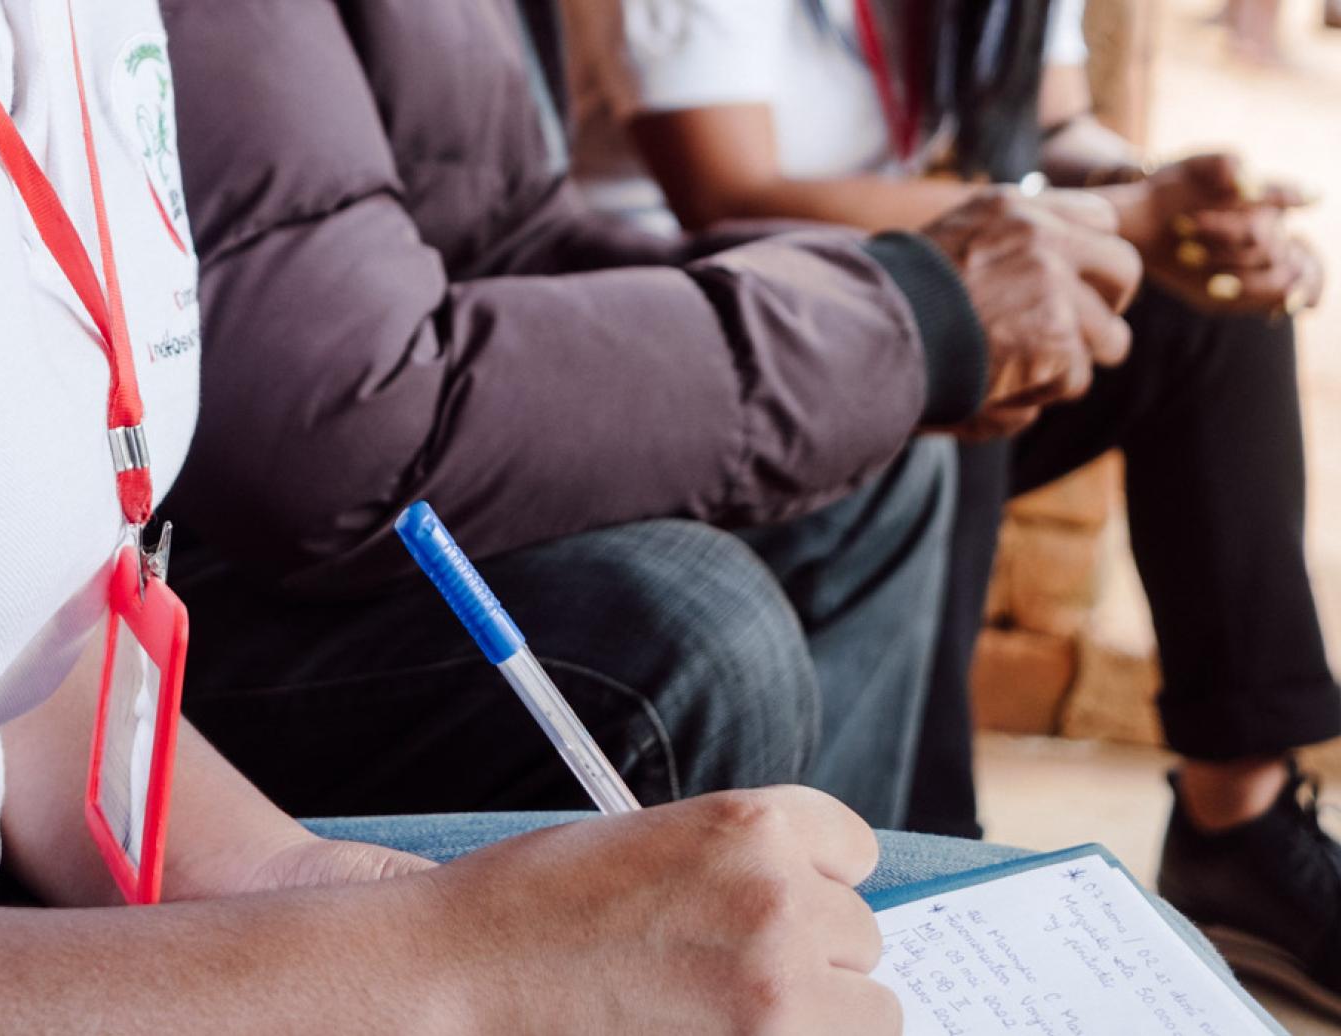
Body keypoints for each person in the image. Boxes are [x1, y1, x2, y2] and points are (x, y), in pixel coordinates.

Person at [0, 2, 1154, 1032]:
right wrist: (426, 967)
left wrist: (290, 875)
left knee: (965, 928)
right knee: (684, 631)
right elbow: (345, 402)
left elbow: (25, 596)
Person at [153, 0, 1140, 842]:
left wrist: (873, 326)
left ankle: (863, 936)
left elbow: (512, 235)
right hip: (139, 589)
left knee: (880, 460)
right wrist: (893, 321)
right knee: (688, 628)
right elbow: (340, 417)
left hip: (320, 455)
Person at [561, 0, 1340, 1011]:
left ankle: (1236, 826)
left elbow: (1056, 136)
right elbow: (722, 187)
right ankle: (929, 864)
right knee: (962, 331)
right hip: (696, 347)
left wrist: (1174, 214)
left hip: (895, 296)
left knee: (1197, 306)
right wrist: (1108, 222)